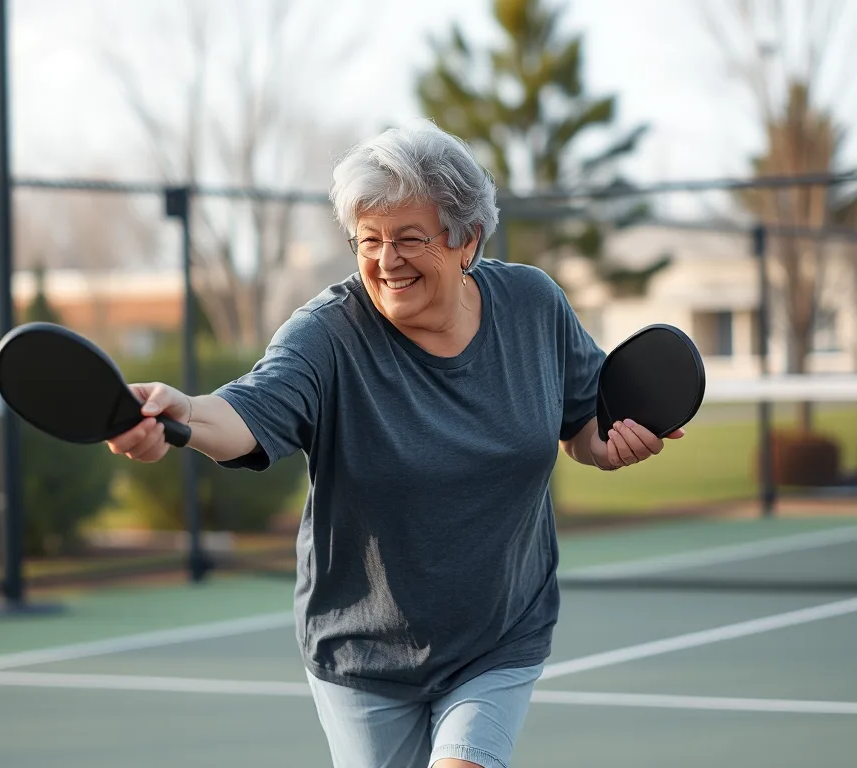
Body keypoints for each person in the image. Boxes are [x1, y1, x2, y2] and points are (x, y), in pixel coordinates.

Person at [106, 119, 685, 768]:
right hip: (361, 653)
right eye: (369, 241)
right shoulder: (326, 336)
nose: (386, 261)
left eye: (409, 238)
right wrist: (182, 413)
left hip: (499, 635)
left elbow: (582, 421)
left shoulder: (533, 307)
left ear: (467, 239)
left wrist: (606, 446)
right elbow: (245, 411)